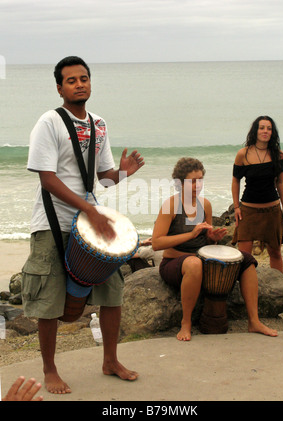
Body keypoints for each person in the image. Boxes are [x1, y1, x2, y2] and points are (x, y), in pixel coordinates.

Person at [21, 56, 144, 394]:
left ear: (91, 82)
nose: (79, 84)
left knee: (113, 291)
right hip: (51, 221)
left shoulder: (98, 123)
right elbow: (48, 179)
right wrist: (88, 211)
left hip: (88, 218)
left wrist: (121, 174)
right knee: (49, 299)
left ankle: (110, 360)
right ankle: (49, 369)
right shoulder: (49, 122)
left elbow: (100, 180)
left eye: (84, 78)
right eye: (71, 80)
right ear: (60, 88)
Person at [152, 157, 277, 341]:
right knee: (194, 263)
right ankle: (185, 323)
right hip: (175, 263)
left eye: (200, 180)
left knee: (247, 260)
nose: (197, 185)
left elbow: (206, 241)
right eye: (192, 181)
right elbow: (156, 243)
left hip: (201, 261)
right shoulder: (170, 205)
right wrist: (191, 234)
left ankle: (254, 321)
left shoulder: (205, 205)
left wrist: (213, 239)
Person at [231, 116, 283, 273]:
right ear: (255, 130)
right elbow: (235, 181)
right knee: (244, 255)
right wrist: (237, 207)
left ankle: (280, 287)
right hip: (248, 211)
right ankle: (243, 287)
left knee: (275, 252)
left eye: (269, 128)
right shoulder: (243, 154)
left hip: (271, 211)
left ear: (272, 132)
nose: (265, 131)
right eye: (262, 127)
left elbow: (280, 182)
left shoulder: (278, 155)